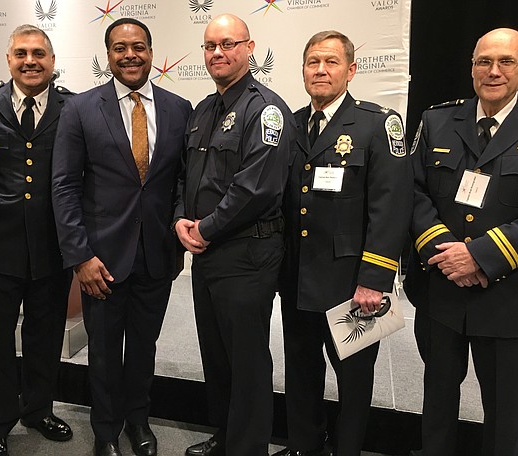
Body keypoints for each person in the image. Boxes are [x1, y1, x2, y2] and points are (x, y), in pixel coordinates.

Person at [51, 18, 191, 456]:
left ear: (152, 51)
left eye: (138, 47)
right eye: (119, 48)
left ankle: (138, 421)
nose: (130, 55)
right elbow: (64, 185)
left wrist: (181, 223)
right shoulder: (80, 109)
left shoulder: (179, 107)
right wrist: (79, 257)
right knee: (106, 353)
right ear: (107, 55)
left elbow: (183, 181)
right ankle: (106, 431)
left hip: (156, 256)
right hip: (102, 260)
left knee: (144, 349)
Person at [275, 30, 412, 456]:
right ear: (302, 70)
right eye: (313, 61)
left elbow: (390, 210)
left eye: (331, 62)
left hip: (351, 283)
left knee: (353, 381)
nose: (320, 70)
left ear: (351, 70)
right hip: (297, 278)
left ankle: (347, 449)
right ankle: (304, 446)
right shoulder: (293, 123)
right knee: (301, 371)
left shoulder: (376, 124)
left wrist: (374, 279)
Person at [407, 27, 518, 456]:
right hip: (442, 290)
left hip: (510, 296)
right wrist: (445, 252)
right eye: (484, 62)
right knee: (437, 402)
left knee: (503, 412)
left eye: (505, 62)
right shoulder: (437, 119)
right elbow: (414, 191)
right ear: (472, 67)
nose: (493, 71)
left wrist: (479, 256)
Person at [174, 14, 294, 456]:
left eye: (227, 44)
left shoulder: (266, 110)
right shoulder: (205, 109)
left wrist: (205, 227)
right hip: (207, 252)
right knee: (217, 357)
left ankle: (247, 448)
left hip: (248, 254)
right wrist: (180, 221)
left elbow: (256, 188)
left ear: (249, 48)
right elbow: (184, 177)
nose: (217, 53)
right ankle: (225, 436)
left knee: (246, 362)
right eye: (209, 46)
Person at [0, 24, 74, 456]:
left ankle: (39, 409)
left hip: (51, 244)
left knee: (45, 336)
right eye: (22, 53)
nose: (31, 61)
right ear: (8, 59)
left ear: (52, 60)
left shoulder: (73, 106)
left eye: (39, 53)